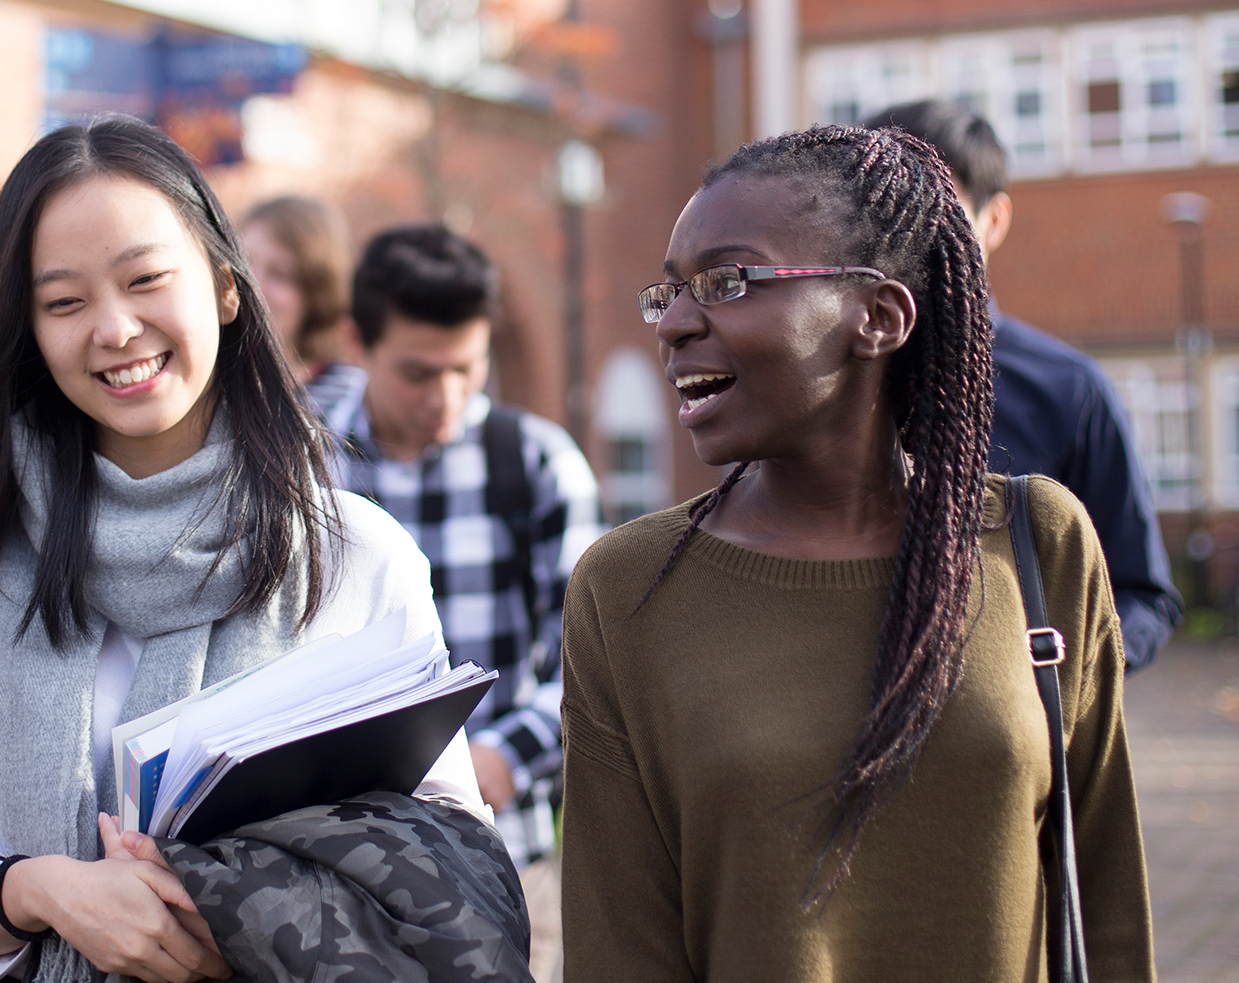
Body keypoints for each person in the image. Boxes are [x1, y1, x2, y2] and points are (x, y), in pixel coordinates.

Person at [0, 118, 491, 983]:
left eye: (145, 279)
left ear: (227, 287)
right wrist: (44, 892)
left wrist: (251, 913)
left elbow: (448, 844)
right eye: (64, 302)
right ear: (30, 334)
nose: (116, 329)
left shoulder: (353, 555)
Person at [560, 126, 1153, 981]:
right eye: (670, 292)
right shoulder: (628, 589)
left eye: (727, 281)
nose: (678, 323)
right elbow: (619, 952)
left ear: (877, 317)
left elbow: (1108, 905)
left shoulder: (1038, 542)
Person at [315, 224, 604, 868]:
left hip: (501, 853)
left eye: (466, 369)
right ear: (357, 342)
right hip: (333, 856)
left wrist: (504, 755)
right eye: (417, 373)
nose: (444, 398)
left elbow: (599, 657)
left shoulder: (534, 461)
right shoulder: (298, 464)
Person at [869, 99, 1181, 670]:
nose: (907, 236)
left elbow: (1140, 595)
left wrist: (1049, 682)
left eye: (938, 211)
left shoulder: (1069, 390)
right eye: (884, 211)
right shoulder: (823, 380)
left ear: (994, 220)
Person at [238, 195, 361, 413]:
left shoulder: (349, 401)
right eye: (243, 262)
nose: (252, 284)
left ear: (317, 295)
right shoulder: (201, 384)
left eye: (280, 274)